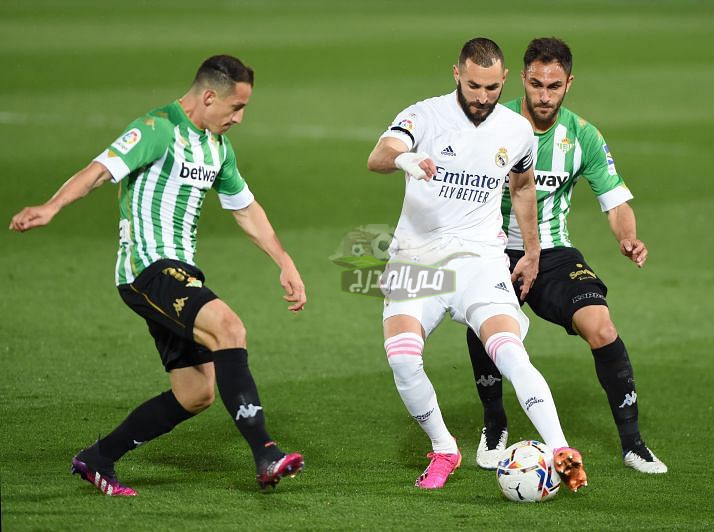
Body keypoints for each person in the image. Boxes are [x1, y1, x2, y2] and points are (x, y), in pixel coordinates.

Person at [9, 55, 307, 496]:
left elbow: (244, 207)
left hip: (180, 272)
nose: (240, 118)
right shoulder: (156, 129)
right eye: (236, 107)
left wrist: (283, 260)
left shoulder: (217, 148)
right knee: (229, 327)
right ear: (209, 96)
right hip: (147, 270)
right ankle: (265, 453)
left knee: (196, 392)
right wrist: (53, 206)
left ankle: (98, 458)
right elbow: (98, 171)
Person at [366, 37, 587, 492]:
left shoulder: (515, 129)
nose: (482, 97)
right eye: (473, 86)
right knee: (403, 359)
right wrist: (406, 158)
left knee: (509, 351)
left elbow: (523, 188)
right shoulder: (424, 116)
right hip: (417, 257)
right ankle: (445, 448)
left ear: (504, 80)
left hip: (481, 260)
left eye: (490, 87)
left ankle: (563, 450)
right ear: (456, 75)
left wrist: (530, 251)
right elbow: (378, 156)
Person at [467, 37, 667, 474]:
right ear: (522, 79)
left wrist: (627, 237)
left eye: (553, 86)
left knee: (601, 326)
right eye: (535, 84)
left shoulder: (583, 137)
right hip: (492, 249)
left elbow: (615, 201)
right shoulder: (491, 124)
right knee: (485, 322)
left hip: (553, 250)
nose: (543, 95)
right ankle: (494, 424)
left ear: (568, 83)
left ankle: (633, 443)